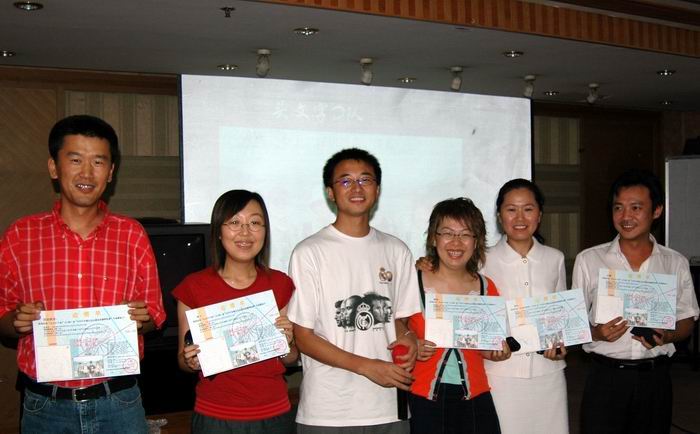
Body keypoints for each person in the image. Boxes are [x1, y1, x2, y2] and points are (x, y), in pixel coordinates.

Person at [0, 115, 166, 434]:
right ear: (54, 167)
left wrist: (139, 319)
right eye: (75, 159)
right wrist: (16, 321)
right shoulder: (20, 235)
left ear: (111, 172)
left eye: (98, 162)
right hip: (45, 407)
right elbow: (3, 316)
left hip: (119, 402)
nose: (87, 173)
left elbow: (155, 315)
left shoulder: (132, 235)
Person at [287, 148, 421, 433]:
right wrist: (367, 366)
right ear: (330, 192)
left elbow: (398, 321)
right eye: (346, 181)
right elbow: (304, 337)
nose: (357, 188)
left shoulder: (397, 250)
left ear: (377, 189)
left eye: (365, 180)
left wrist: (408, 340)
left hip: (389, 407)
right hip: (329, 411)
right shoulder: (309, 252)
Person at [573, 169, 699, 434]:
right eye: (618, 207)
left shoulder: (674, 262)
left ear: (656, 211)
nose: (625, 216)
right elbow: (573, 323)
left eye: (636, 208)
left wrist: (667, 336)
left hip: (654, 379)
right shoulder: (589, 259)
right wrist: (596, 333)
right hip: (605, 378)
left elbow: (687, 319)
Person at [173, 190, 298, 434]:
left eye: (255, 223)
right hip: (215, 416)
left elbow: (291, 358)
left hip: (274, 414)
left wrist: (288, 342)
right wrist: (191, 360)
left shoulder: (280, 284)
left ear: (265, 231)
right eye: (234, 222)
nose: (245, 232)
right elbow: (183, 360)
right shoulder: (193, 287)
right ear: (219, 232)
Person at [407, 198, 509, 434]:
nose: (456, 242)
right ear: (434, 238)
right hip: (423, 397)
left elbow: (485, 347)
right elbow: (394, 327)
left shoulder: (487, 287)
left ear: (477, 241)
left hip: (474, 397)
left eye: (465, 234)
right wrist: (411, 342)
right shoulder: (412, 281)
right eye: (447, 233)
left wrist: (497, 352)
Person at [480, 179, 569, 434]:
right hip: (501, 375)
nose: (520, 217)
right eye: (511, 209)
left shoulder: (555, 258)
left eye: (528, 209)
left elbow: (561, 317)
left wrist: (561, 345)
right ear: (499, 216)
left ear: (539, 215)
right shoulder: (482, 260)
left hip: (548, 374)